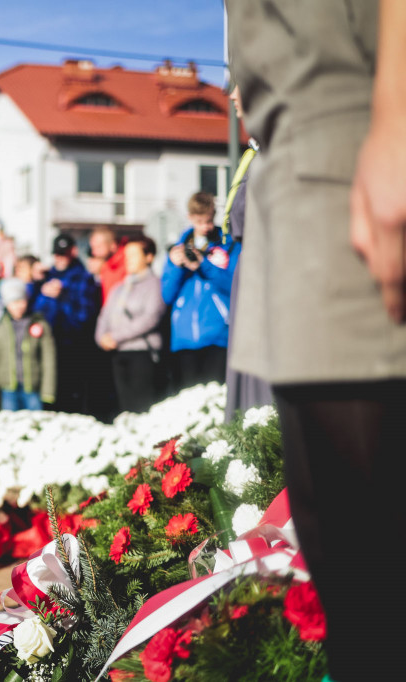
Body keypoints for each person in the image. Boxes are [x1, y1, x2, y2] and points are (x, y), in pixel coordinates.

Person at [228, 3, 406, 679]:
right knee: (351, 589)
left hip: (357, 151)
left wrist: (397, 123)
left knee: (376, 591)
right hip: (301, 175)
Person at [221, 85, 273, 421]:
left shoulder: (274, 152)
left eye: (239, 86)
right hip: (251, 267)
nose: (231, 96)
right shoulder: (254, 153)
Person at [161, 192, 239, 391]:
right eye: (200, 221)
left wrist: (203, 265)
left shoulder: (228, 246)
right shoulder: (178, 249)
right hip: (184, 339)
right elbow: (167, 295)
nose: (206, 226)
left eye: (209, 220)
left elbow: (235, 286)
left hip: (218, 335)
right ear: (189, 218)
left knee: (216, 399)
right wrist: (176, 266)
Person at [95, 237, 166, 413]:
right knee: (123, 407)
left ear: (149, 257)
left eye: (134, 255)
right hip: (118, 353)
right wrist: (101, 338)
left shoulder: (154, 284)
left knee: (141, 406)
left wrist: (115, 336)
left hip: (142, 353)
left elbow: (150, 318)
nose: (128, 260)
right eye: (126, 255)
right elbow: (104, 316)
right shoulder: (119, 288)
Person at [33, 233, 100, 414]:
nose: (59, 259)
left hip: (73, 348)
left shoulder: (83, 278)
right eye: (56, 254)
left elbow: (85, 316)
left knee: (71, 399)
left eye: (63, 254)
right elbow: (34, 312)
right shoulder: (47, 277)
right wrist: (37, 285)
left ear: (73, 252)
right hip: (47, 346)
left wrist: (63, 297)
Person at [0, 277, 55, 412]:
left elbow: (48, 359)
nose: (18, 306)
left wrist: (48, 390)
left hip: (32, 386)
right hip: (8, 388)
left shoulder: (39, 324)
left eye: (21, 301)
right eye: (13, 302)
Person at [87, 226, 127, 303]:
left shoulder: (126, 263)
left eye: (98, 247)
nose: (93, 253)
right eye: (93, 248)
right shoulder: (106, 265)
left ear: (113, 246)